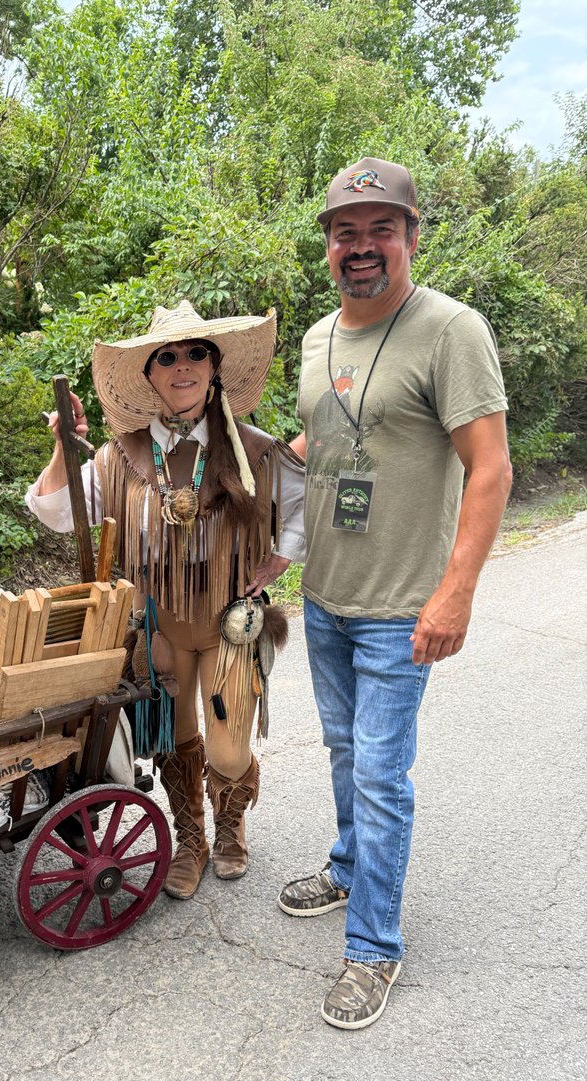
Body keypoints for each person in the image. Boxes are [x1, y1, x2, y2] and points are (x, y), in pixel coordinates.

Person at [277, 156, 513, 1029]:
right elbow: (317, 447)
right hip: (327, 594)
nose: (362, 245)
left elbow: (490, 469)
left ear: (412, 236)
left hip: (401, 605)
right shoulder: (315, 338)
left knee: (381, 774)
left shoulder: (451, 330)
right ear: (328, 248)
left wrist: (456, 594)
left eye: (382, 228)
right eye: (346, 231)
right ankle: (347, 869)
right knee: (344, 751)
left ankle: (374, 949)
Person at [26, 301, 305, 899]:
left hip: (230, 622)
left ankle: (231, 826)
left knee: (229, 743)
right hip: (158, 627)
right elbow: (52, 512)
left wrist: (280, 558)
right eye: (167, 357)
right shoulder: (122, 456)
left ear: (215, 367)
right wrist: (66, 448)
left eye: (196, 353)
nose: (183, 366)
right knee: (178, 739)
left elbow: (305, 505)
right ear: (149, 375)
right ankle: (192, 838)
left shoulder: (252, 449)